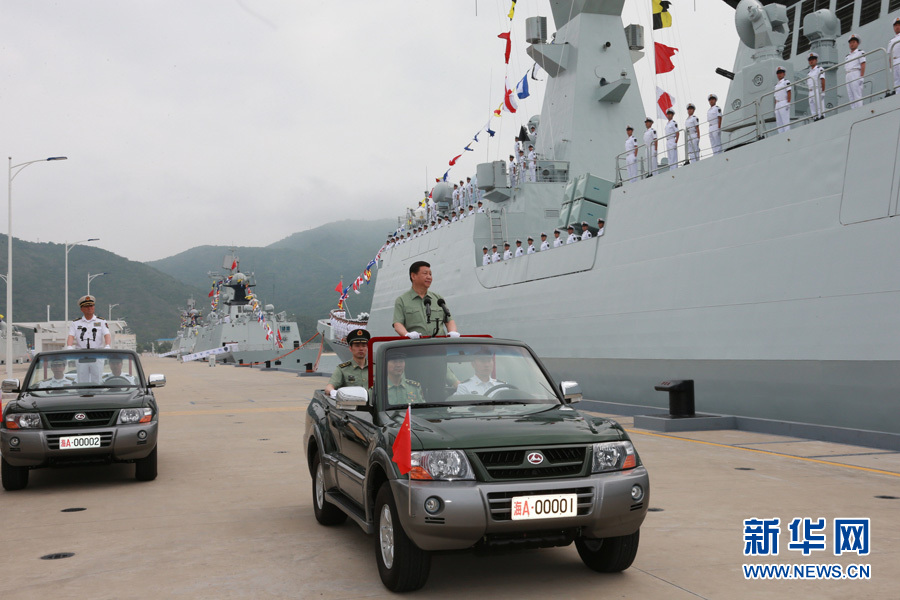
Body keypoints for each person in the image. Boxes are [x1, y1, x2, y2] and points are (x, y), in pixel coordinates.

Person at [393, 261, 459, 338]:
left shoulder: (438, 299)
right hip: (416, 344)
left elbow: (449, 320)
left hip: (439, 344)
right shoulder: (402, 300)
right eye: (425, 273)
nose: (429, 277)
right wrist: (407, 334)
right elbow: (397, 324)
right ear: (413, 276)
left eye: (430, 274)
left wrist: (453, 332)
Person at [325, 328, 370, 398]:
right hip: (352, 404)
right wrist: (333, 392)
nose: (361, 349)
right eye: (357, 346)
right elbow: (329, 387)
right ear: (350, 348)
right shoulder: (342, 369)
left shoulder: (376, 368)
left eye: (364, 345)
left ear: (367, 348)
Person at [844, 34, 866, 109]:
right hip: (848, 75)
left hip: (855, 73)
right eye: (850, 43)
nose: (852, 44)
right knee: (850, 95)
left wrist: (861, 77)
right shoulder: (847, 56)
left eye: (853, 42)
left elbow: (863, 64)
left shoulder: (860, 52)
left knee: (857, 94)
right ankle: (853, 110)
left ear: (857, 43)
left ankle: (859, 110)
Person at [807, 53, 826, 120]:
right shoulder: (809, 73)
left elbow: (822, 80)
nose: (811, 61)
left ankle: (821, 117)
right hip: (810, 91)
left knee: (819, 106)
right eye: (810, 60)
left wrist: (823, 91)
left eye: (813, 59)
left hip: (817, 89)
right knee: (812, 106)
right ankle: (815, 118)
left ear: (816, 60)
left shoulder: (819, 69)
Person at [774, 66, 791, 133]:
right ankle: (781, 134)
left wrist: (788, 102)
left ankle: (787, 133)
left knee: (785, 120)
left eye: (781, 73)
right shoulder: (776, 85)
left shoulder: (786, 82)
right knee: (779, 121)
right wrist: (776, 105)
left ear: (784, 74)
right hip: (778, 103)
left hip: (783, 102)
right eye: (778, 73)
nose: (779, 74)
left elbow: (789, 92)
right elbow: (776, 96)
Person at [892, 18, 900, 93]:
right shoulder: (891, 40)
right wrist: (890, 67)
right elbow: (890, 54)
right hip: (894, 62)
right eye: (896, 25)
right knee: (896, 82)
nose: (897, 27)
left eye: (899, 25)